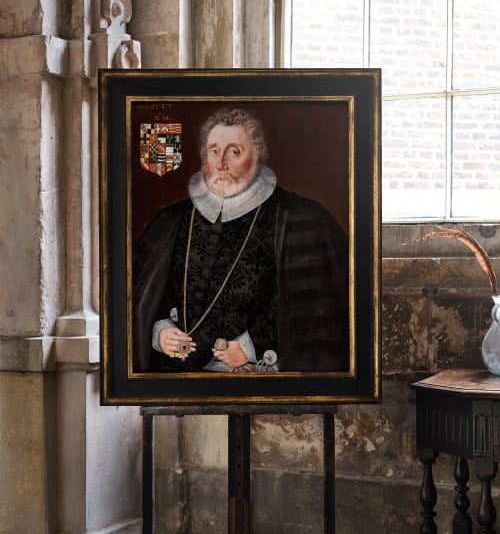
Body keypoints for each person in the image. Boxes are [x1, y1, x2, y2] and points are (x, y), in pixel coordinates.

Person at [132, 107, 349, 373]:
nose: (221, 164)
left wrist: (251, 345)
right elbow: (142, 295)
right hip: (177, 372)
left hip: (254, 372)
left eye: (234, 152)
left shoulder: (300, 217)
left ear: (256, 155)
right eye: (214, 151)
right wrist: (161, 331)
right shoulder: (172, 219)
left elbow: (313, 307)